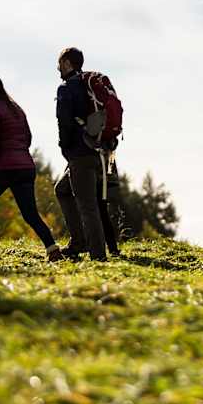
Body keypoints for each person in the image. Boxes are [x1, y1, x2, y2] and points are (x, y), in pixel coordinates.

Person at [0, 74, 63, 262]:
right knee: (30, 214)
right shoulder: (16, 108)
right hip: (25, 166)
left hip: (3, 168)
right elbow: (28, 138)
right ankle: (52, 248)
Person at [55, 47, 114, 261]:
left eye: (60, 63)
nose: (58, 68)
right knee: (62, 189)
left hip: (80, 154)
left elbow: (65, 122)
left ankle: (98, 256)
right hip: (97, 150)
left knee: (88, 206)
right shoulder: (88, 84)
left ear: (68, 64)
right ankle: (78, 242)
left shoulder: (67, 89)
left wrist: (64, 147)